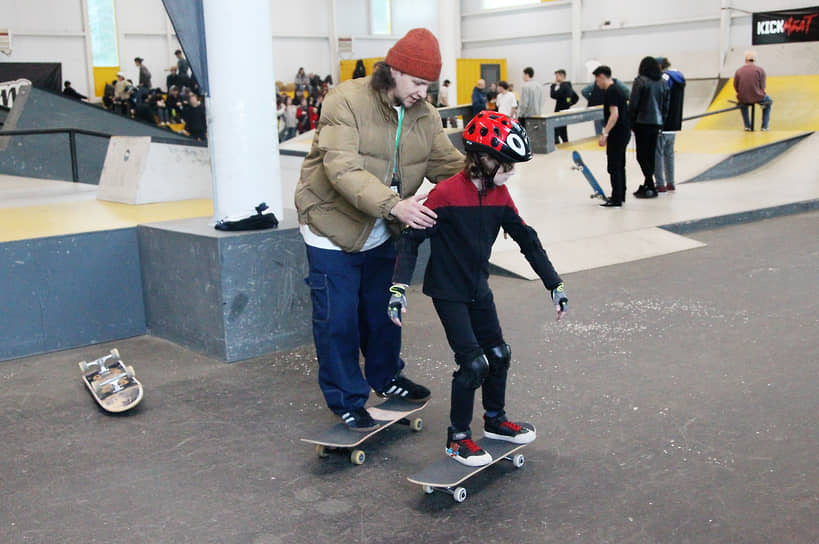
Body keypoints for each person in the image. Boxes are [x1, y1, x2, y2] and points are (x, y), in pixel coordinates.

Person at [294, 28, 464, 431]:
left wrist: (487, 173)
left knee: (385, 313)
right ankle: (347, 397)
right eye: (418, 82)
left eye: (429, 85)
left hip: (384, 227)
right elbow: (342, 169)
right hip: (331, 227)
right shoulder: (345, 101)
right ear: (394, 71)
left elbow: (447, 164)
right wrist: (395, 205)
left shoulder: (425, 115)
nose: (424, 92)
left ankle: (386, 377)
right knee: (339, 321)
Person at [388, 111, 568, 466]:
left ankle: (495, 421)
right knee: (473, 364)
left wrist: (554, 284)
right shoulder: (447, 193)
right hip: (449, 292)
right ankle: (457, 438)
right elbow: (411, 242)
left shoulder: (499, 195)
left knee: (499, 355)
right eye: (506, 165)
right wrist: (398, 288)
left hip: (478, 288)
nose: (510, 173)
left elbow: (527, 240)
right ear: (481, 158)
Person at [630, 56, 669, 199]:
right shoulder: (663, 83)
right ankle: (649, 183)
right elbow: (666, 104)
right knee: (651, 154)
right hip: (657, 123)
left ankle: (649, 183)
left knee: (641, 155)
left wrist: (631, 121)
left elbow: (634, 103)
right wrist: (662, 121)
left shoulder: (640, 81)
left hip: (642, 122)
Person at [594, 66, 632, 208]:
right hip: (624, 131)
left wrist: (605, 133)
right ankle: (620, 194)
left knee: (614, 165)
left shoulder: (611, 91)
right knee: (620, 164)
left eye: (597, 80)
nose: (597, 84)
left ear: (602, 76)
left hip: (617, 133)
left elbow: (614, 114)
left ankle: (616, 198)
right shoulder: (619, 89)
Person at [655, 57, 685, 192]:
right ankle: (671, 182)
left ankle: (660, 184)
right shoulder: (678, 77)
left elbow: (661, 99)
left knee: (658, 154)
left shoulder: (663, 79)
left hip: (663, 123)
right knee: (669, 154)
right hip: (674, 124)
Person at [734, 49, 772, 132]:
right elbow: (762, 86)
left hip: (743, 97)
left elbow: (736, 86)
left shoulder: (739, 71)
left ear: (745, 59)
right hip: (758, 96)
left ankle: (747, 126)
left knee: (743, 104)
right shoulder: (760, 70)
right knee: (768, 102)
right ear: (754, 59)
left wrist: (741, 94)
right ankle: (764, 126)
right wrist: (759, 93)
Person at [550, 69, 579, 143]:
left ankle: (558, 146)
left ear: (562, 76)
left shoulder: (564, 86)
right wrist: (568, 104)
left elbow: (553, 95)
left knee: (556, 131)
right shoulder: (568, 86)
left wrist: (553, 85)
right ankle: (565, 144)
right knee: (563, 131)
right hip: (565, 111)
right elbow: (575, 97)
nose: (556, 79)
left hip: (560, 111)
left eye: (557, 76)